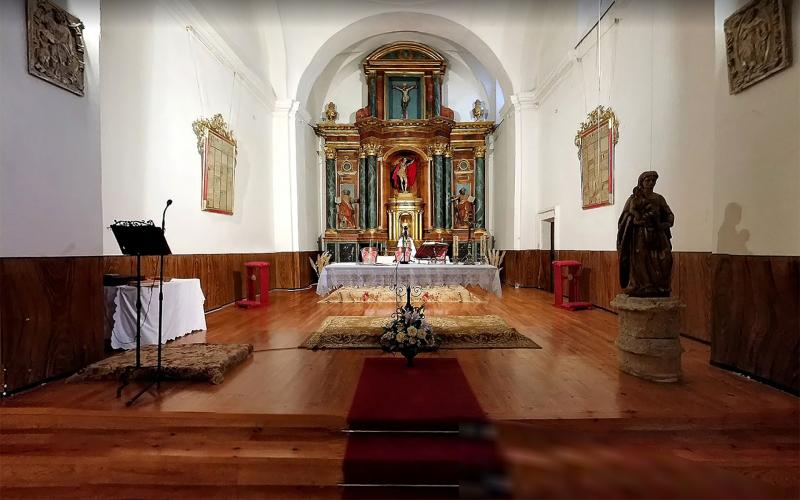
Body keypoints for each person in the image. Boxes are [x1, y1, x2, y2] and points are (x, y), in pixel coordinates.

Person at [617, 171, 675, 297]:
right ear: (641, 182)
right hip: (640, 234)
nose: (651, 183)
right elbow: (625, 216)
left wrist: (668, 221)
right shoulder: (634, 198)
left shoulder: (659, 198)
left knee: (666, 258)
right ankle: (644, 286)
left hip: (658, 234)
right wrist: (636, 219)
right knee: (641, 258)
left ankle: (661, 286)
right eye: (647, 180)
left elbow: (668, 213)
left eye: (653, 181)